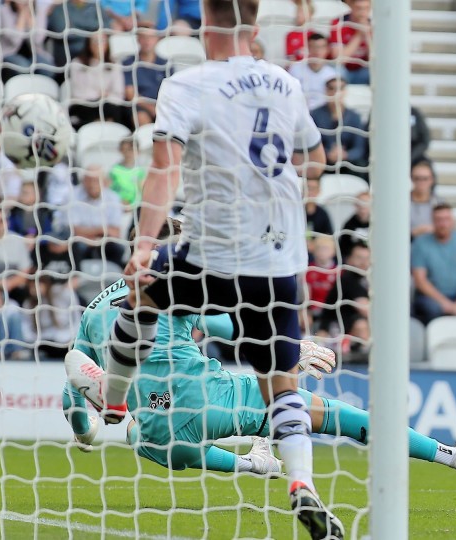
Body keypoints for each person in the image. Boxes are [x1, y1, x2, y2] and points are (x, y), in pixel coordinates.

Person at [65, 2, 342, 536]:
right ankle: (302, 484)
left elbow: (164, 169)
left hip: (210, 250)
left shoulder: (186, 83)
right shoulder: (285, 82)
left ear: (204, 24)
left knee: (142, 294)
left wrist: (145, 243)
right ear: (254, 26)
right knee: (281, 387)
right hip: (279, 258)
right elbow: (317, 162)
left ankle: (116, 401)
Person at [62, 272, 456, 479]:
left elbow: (72, 394)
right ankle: (455, 457)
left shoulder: (91, 314)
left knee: (142, 438)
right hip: (208, 399)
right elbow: (230, 328)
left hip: (160, 429)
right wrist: (292, 349)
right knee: (327, 413)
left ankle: (254, 463)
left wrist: (87, 433)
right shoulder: (167, 288)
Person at [411, 203, 456, 326]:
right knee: (431, 309)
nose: (443, 224)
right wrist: (444, 303)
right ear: (433, 221)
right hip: (430, 297)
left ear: (452, 221)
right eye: (439, 220)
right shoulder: (421, 244)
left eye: (446, 219)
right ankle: (430, 344)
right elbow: (420, 281)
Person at [55, 165, 126, 266]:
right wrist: (101, 230)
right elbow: (72, 230)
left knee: (117, 250)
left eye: (96, 180)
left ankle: (116, 280)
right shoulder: (71, 196)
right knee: (76, 248)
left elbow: (116, 232)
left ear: (105, 182)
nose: (92, 184)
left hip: (105, 242)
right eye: (89, 180)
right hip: (78, 242)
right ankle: (78, 280)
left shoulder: (113, 198)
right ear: (83, 181)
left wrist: (94, 235)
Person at [67, 31, 129, 130]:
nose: (98, 44)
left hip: (108, 105)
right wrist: (99, 95)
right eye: (95, 41)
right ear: (88, 44)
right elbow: (77, 92)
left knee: (118, 109)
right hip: (84, 105)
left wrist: (105, 97)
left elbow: (118, 92)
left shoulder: (115, 64)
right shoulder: (77, 64)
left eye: (102, 41)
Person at [311, 76, 370, 178]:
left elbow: (359, 148)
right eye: (331, 88)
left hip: (348, 163)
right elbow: (311, 143)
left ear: (345, 91)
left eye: (340, 88)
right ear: (325, 91)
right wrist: (328, 153)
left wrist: (345, 155)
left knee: (362, 165)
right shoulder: (315, 114)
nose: (336, 93)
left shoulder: (354, 117)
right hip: (323, 161)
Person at [122, 21, 168, 128]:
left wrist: (160, 108)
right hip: (139, 107)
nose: (147, 41)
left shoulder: (166, 64)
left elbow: (172, 92)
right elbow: (130, 94)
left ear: (157, 39)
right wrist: (151, 108)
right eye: (144, 37)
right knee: (141, 117)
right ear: (138, 39)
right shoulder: (128, 63)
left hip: (162, 107)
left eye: (151, 37)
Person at [288, 33, 338, 112]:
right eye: (313, 47)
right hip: (299, 110)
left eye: (321, 47)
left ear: (327, 49)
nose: (317, 51)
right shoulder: (295, 69)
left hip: (322, 114)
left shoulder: (332, 74)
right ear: (307, 49)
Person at [329, 0, 371, 85]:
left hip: (362, 71)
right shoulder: (338, 23)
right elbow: (339, 59)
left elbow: (375, 58)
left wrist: (367, 35)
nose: (362, 12)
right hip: (344, 71)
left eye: (366, 8)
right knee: (337, 69)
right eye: (358, 8)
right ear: (351, 6)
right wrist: (359, 35)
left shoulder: (374, 24)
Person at [108, 136, 146, 207]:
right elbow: (109, 190)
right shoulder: (115, 169)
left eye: (131, 149)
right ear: (120, 150)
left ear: (138, 151)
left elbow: (143, 191)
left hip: (135, 207)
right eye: (124, 149)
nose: (128, 153)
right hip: (117, 206)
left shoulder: (140, 171)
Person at [410, 159, 439, 240]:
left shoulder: (439, 203)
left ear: (432, 180)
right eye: (417, 178)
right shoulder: (403, 203)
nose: (421, 182)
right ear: (412, 179)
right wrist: (412, 233)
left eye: (425, 178)